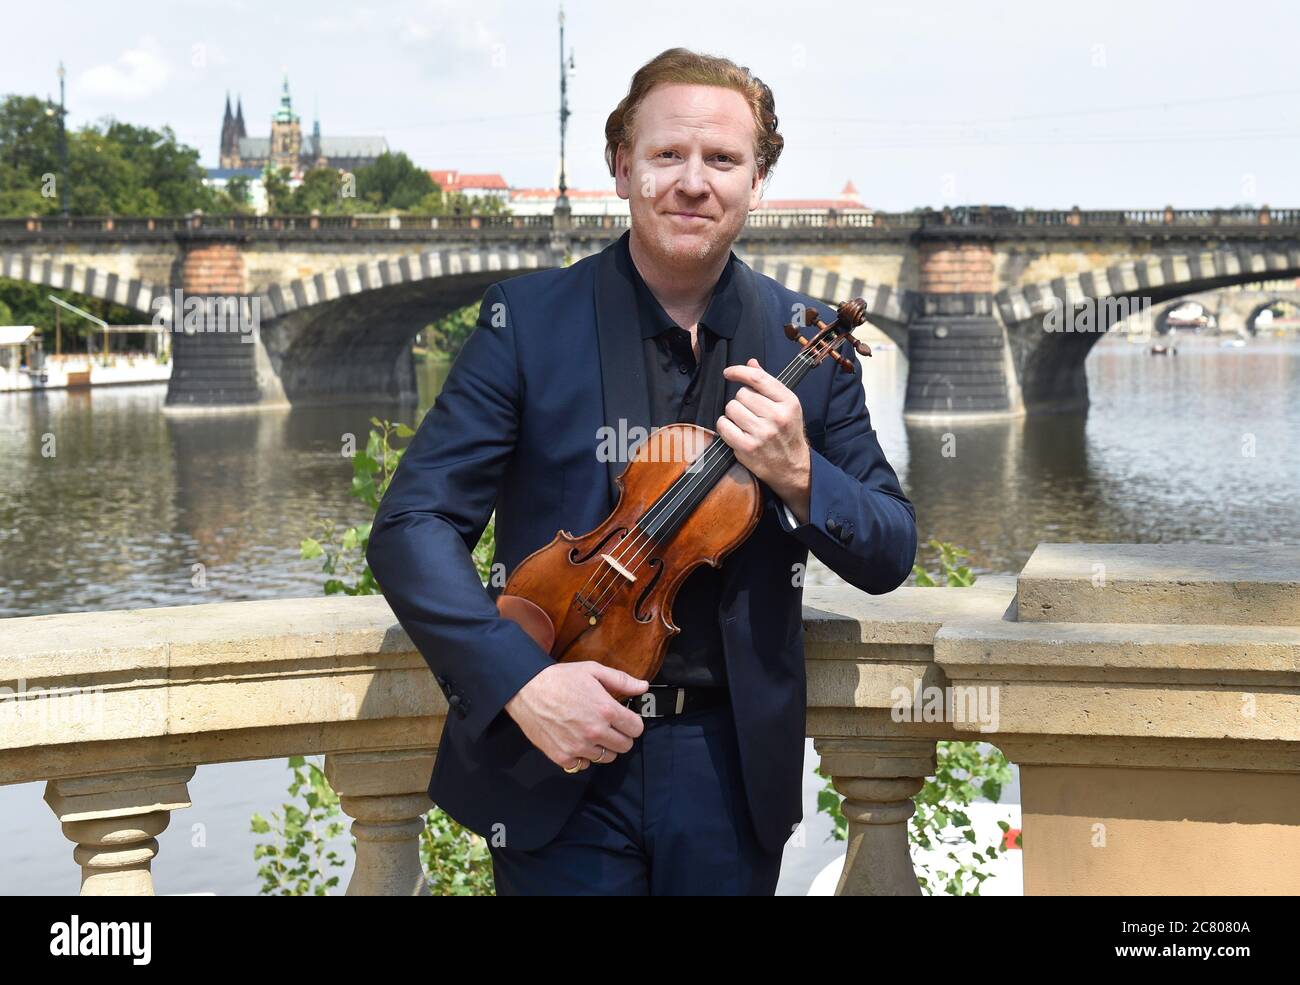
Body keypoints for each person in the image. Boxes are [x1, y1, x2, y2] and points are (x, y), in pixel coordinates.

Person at [366, 47, 917, 895]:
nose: (694, 182)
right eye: (668, 155)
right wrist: (520, 682)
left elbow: (888, 548)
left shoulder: (810, 340)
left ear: (757, 181)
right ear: (622, 167)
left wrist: (802, 473)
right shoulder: (527, 322)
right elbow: (413, 527)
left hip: (730, 775)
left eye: (723, 160)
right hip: (553, 763)